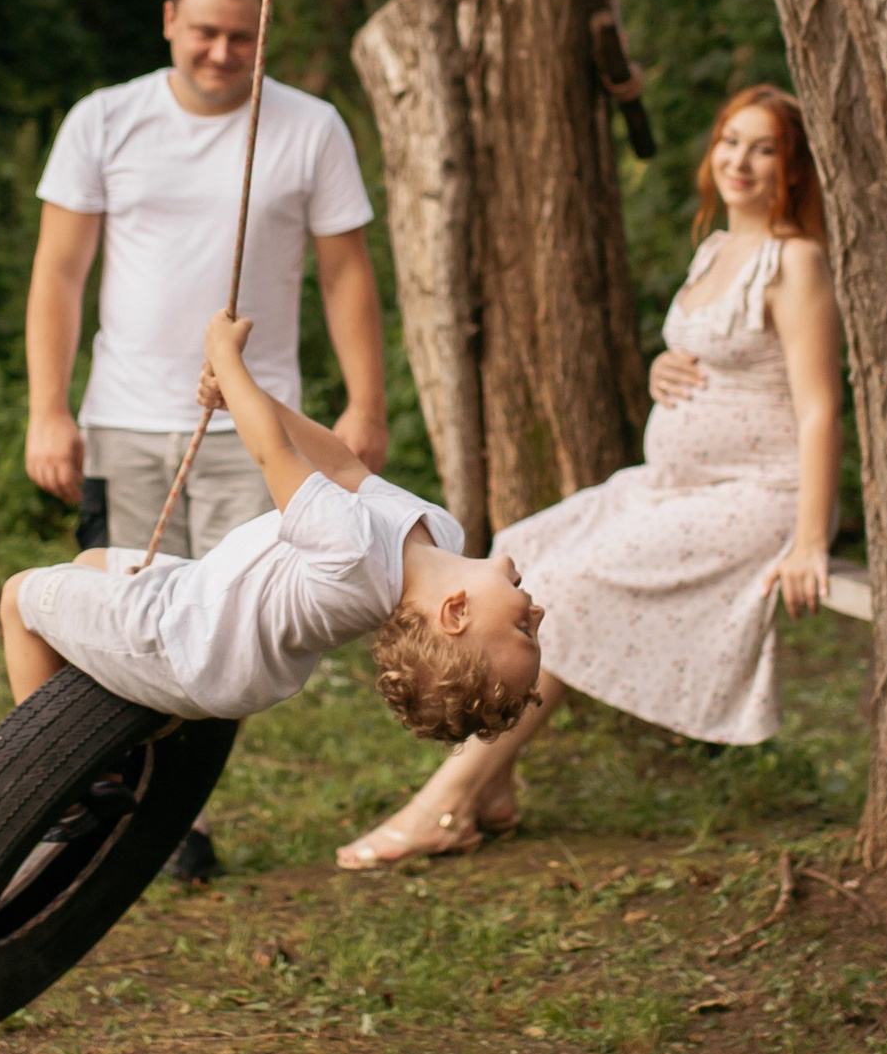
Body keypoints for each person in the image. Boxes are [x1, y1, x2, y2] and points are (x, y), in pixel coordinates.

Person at [334, 84, 845, 869]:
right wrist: (663, 372)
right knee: (525, 550)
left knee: (563, 591)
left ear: (796, 169)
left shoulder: (795, 261)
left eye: (765, 147)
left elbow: (816, 407)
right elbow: (728, 359)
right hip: (671, 482)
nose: (741, 161)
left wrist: (811, 539)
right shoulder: (716, 249)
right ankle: (495, 785)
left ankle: (447, 801)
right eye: (730, 142)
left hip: (754, 496)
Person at [26, 0, 389, 879]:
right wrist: (48, 411)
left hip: (260, 433)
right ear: (167, 23)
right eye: (205, 33)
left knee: (221, 644)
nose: (223, 53)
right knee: (119, 616)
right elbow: (59, 277)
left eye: (242, 37)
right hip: (126, 418)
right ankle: (97, 803)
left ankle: (168, 823)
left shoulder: (308, 129)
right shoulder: (104, 121)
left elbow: (347, 274)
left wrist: (365, 403)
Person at [0, 310, 542, 743]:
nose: (537, 611)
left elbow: (273, 455)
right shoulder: (438, 533)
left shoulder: (355, 558)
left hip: (187, 645)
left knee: (20, 596)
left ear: (456, 612)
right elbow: (343, 466)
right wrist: (245, 395)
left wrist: (226, 360)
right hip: (194, 598)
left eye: (524, 629)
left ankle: (38, 774)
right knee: (87, 568)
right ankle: (123, 716)